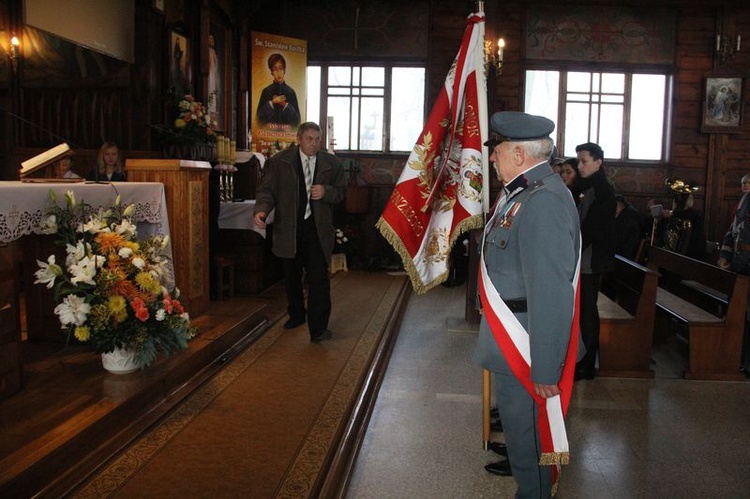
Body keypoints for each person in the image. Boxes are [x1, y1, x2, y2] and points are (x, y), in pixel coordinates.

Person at [473, 111, 581, 498]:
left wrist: (546, 365)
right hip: (513, 338)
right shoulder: (524, 193)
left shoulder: (543, 201)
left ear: (518, 154)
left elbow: (551, 290)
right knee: (522, 441)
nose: (491, 157)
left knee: (531, 447)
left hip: (528, 344)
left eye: (496, 150)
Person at [253, 122, 345, 342]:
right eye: (309, 139)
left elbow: (342, 192)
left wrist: (327, 191)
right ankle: (296, 314)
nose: (313, 143)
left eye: (317, 139)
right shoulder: (279, 162)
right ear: (299, 139)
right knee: (292, 276)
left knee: (318, 279)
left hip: (317, 229)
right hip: (289, 228)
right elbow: (267, 191)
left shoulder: (331, 164)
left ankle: (319, 328)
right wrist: (262, 211)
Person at [574, 142, 616, 381]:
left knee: (588, 313)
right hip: (585, 258)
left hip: (591, 259)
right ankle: (582, 359)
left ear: (598, 163)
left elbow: (593, 228)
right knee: (583, 311)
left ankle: (587, 365)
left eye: (584, 161)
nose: (580, 166)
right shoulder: (588, 186)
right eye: (578, 161)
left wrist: (573, 247)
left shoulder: (602, 191)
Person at [717, 174, 750, 376]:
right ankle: (737, 357)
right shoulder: (742, 203)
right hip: (740, 264)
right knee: (739, 312)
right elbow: (732, 232)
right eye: (744, 183)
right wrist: (724, 255)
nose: (746, 185)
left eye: (749, 182)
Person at [656, 179, 706, 260]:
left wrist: (672, 213)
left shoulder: (695, 216)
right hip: (671, 257)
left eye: (680, 200)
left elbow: (693, 214)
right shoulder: (673, 216)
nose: (676, 203)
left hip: (689, 258)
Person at [255, 53, 301, 127]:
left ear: (284, 70)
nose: (278, 72)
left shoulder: (291, 92)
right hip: (268, 133)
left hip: (287, 135)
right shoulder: (266, 91)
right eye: (275, 69)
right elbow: (258, 119)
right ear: (271, 72)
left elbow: (297, 121)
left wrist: (284, 105)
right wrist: (272, 103)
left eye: (280, 68)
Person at [614, 194, 642, 261]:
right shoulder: (627, 211)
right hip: (625, 250)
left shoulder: (627, 217)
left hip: (624, 255)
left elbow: (619, 237)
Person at [207, 33, 220, 124]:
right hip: (209, 75)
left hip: (213, 75)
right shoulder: (208, 51)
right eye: (210, 38)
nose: (212, 40)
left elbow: (216, 65)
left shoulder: (213, 51)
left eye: (213, 38)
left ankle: (213, 116)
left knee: (213, 93)